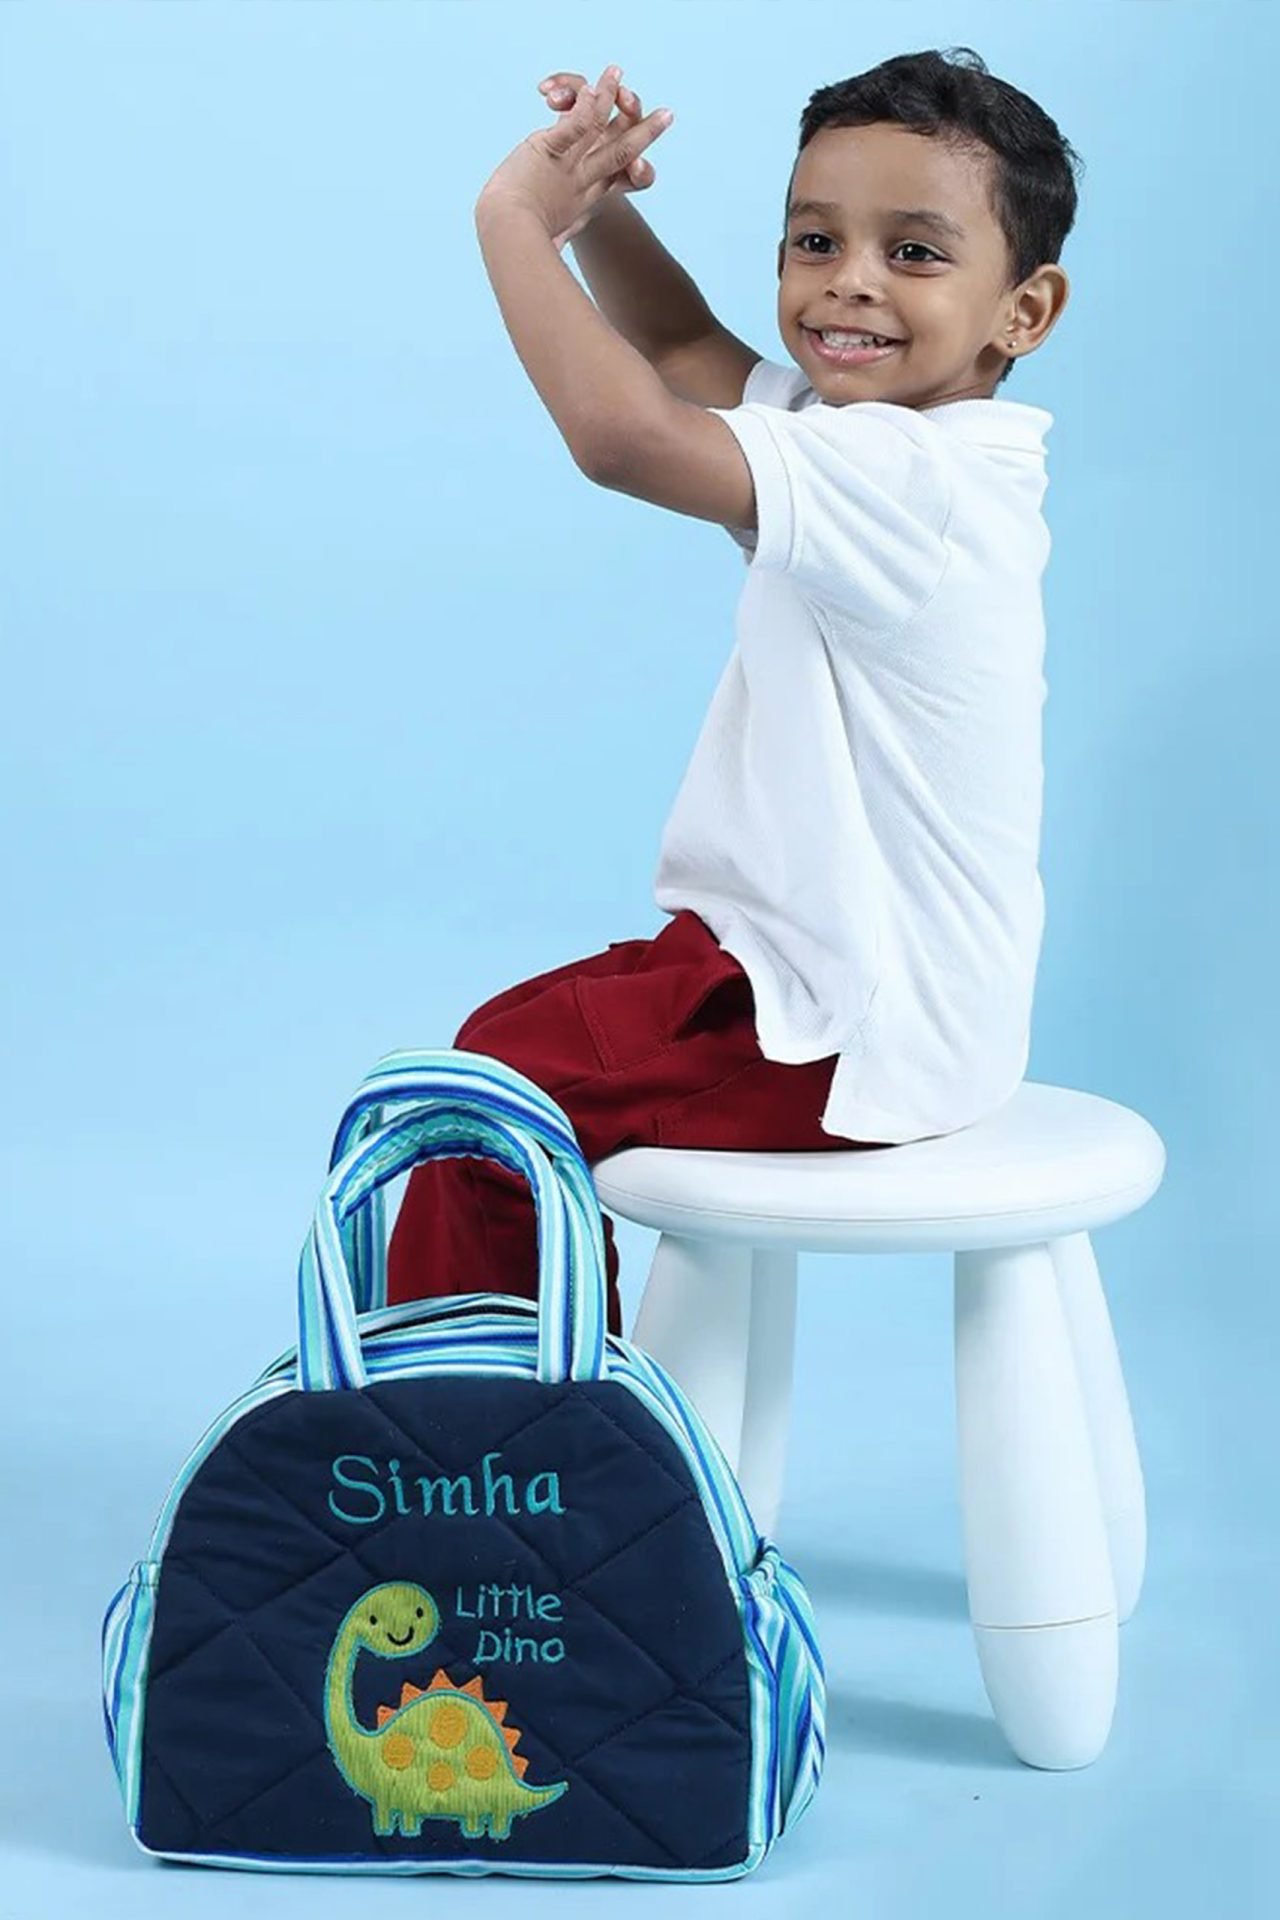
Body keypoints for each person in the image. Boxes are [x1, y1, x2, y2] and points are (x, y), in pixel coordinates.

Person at [387, 46, 1078, 1339]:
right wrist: (598, 208)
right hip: (856, 986)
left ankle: (481, 1451)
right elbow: (675, 342)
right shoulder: (883, 439)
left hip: (847, 1031)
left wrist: (512, 221)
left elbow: (626, 434)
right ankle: (532, 1393)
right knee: (507, 1054)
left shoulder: (910, 481)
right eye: (814, 240)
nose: (848, 282)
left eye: (914, 254)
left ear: (1022, 312)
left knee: (476, 1096)